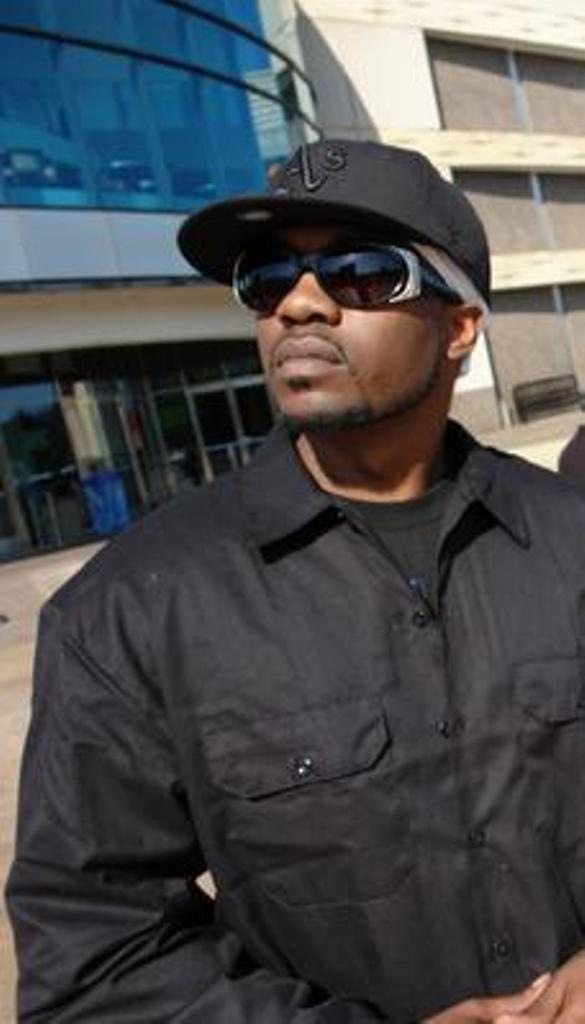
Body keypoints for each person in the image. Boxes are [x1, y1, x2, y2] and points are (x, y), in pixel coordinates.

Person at [7, 138, 585, 1024]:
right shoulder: (129, 609)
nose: (299, 304)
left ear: (459, 328)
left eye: (361, 274)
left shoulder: (571, 536)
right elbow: (94, 962)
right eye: (267, 279)